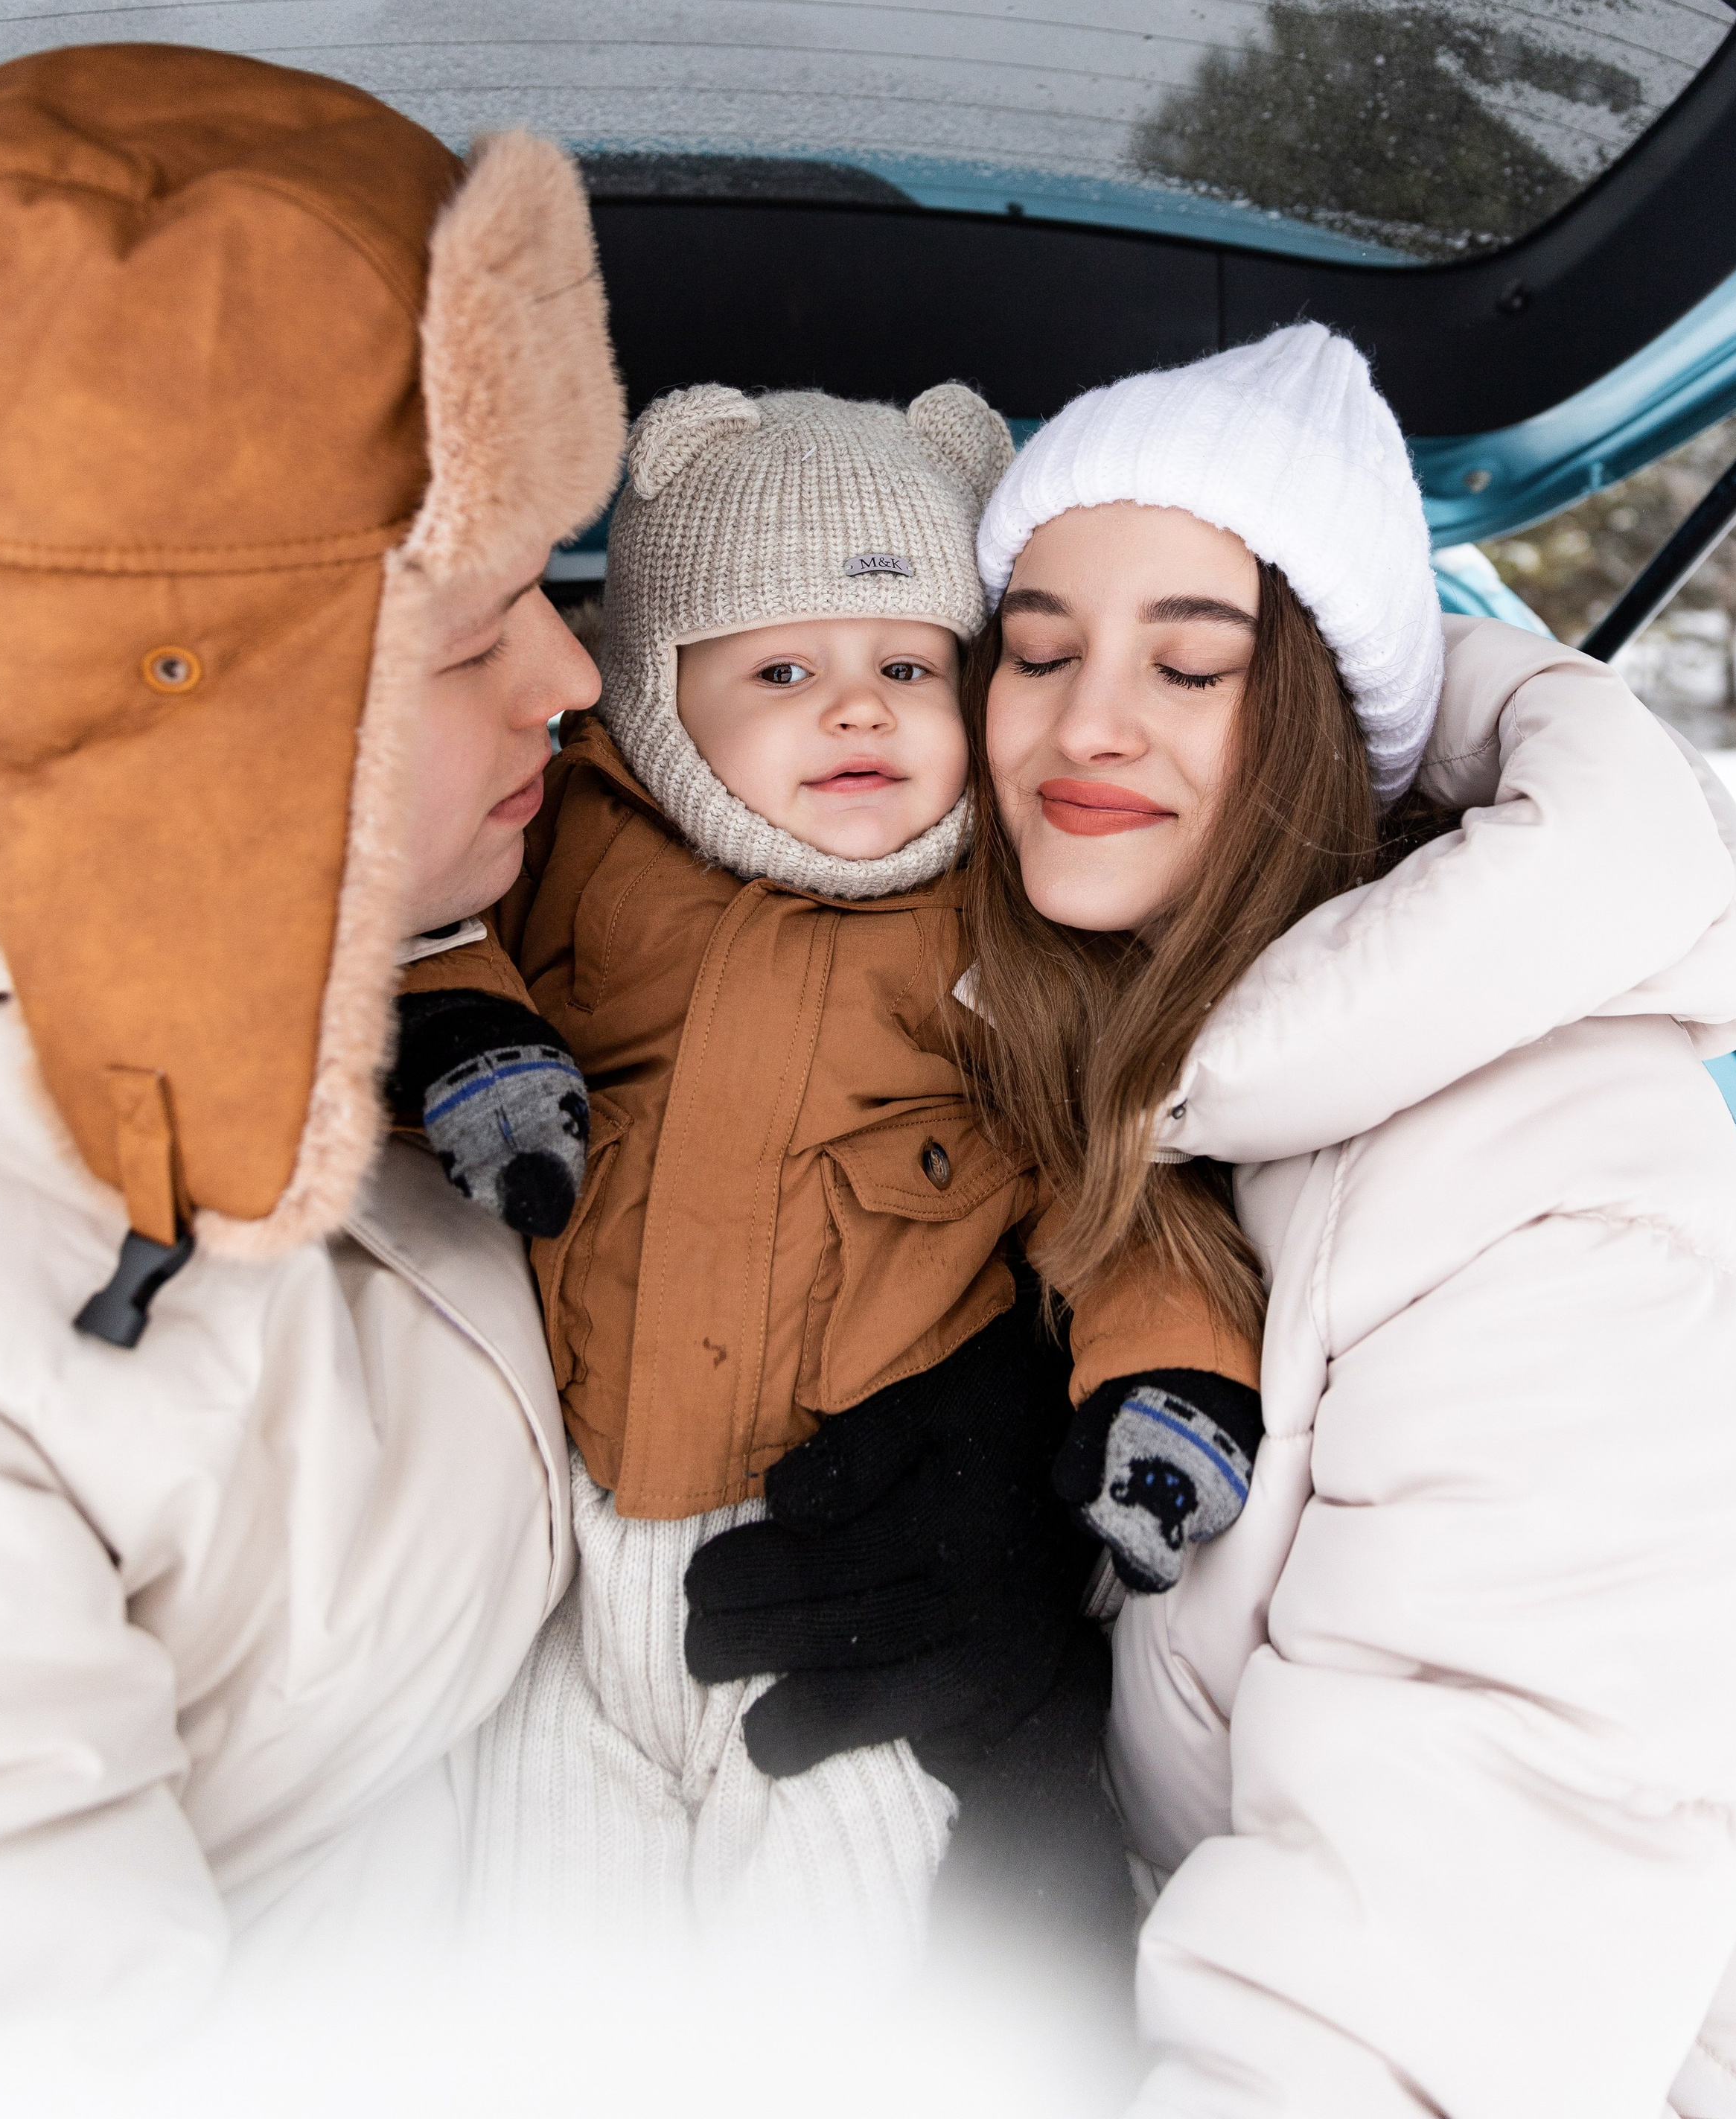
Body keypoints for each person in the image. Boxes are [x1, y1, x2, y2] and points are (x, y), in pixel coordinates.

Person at [959, 323, 1736, 2118]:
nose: (1084, 722)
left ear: (1316, 718)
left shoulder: (1561, 1209)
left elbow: (1422, 2009)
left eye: (1193, 663)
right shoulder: (1166, 1103)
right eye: (1039, 649)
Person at [395, 382, 1263, 1964]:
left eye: (909, 667)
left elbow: (1122, 1205)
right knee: (535, 1971)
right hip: (560, 1589)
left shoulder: (1014, 950)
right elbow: (417, 928)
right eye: (782, 669)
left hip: (851, 1577)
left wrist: (1171, 1391)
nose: (856, 711)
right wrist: (467, 1036)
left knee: (845, 1972)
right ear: (656, 700)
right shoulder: (569, 847)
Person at [0, 42, 621, 2027]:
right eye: (471, 630)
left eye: (560, 589)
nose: (579, 679)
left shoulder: (444, 927)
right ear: (199, 711)